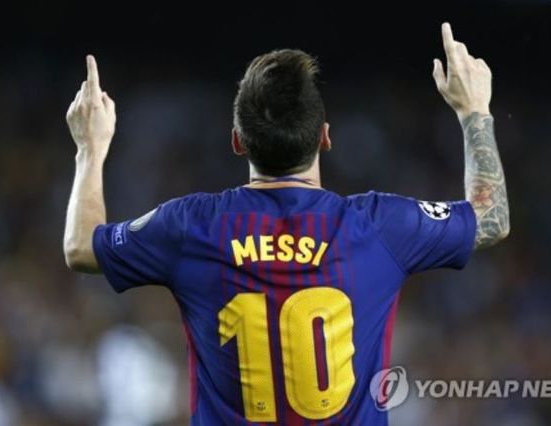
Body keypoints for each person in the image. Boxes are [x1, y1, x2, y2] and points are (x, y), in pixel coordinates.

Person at [63, 22, 509, 425]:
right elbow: (492, 218)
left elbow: (81, 248)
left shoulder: (189, 227)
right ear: (325, 137)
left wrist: (90, 150)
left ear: (238, 142)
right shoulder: (380, 227)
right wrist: (474, 111)